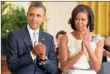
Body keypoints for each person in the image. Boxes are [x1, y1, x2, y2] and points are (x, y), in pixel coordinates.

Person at [6, 3, 58, 74]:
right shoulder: (14, 36)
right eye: (31, 15)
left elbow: (53, 69)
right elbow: (11, 65)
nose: (34, 18)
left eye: (38, 16)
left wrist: (43, 59)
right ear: (27, 15)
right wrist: (32, 54)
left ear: (44, 18)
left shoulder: (49, 38)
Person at [59, 5, 104, 74]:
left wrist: (87, 45)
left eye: (83, 19)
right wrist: (81, 52)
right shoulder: (65, 38)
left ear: (89, 21)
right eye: (76, 19)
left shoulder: (98, 40)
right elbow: (63, 68)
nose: (79, 22)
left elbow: (97, 68)